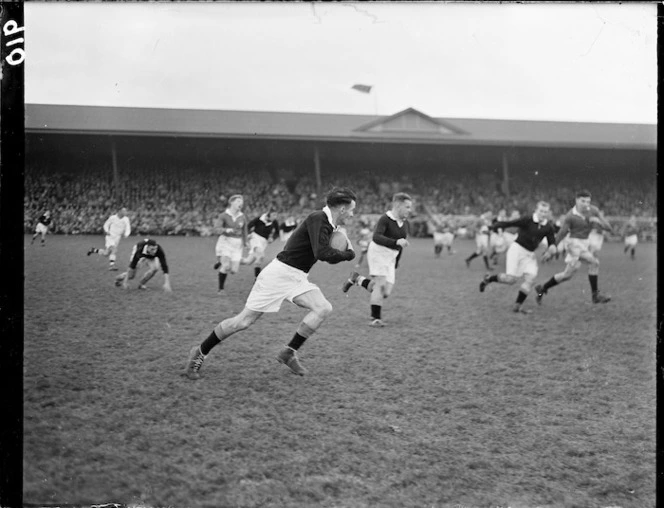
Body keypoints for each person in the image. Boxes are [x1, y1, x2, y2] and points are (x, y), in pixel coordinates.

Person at [184, 187, 357, 380]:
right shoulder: (318, 218)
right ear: (342, 208)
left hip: (297, 276)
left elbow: (326, 254)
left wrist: (343, 253)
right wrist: (348, 254)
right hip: (278, 274)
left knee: (323, 308)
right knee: (243, 321)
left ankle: (289, 352)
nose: (352, 214)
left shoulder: (330, 224)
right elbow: (322, 253)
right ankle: (199, 352)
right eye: (351, 209)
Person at [342, 192, 412, 327]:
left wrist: (396, 262)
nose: (410, 210)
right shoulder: (385, 219)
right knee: (379, 286)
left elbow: (401, 244)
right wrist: (396, 242)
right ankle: (375, 318)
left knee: (385, 292)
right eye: (407, 207)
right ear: (398, 205)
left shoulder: (405, 224)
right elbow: (376, 237)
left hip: (391, 258)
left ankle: (357, 279)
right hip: (378, 253)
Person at [534, 190, 612, 305]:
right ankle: (595, 295)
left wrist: (599, 221)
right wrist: (551, 249)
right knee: (594, 263)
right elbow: (561, 234)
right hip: (573, 244)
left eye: (588, 201)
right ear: (576, 201)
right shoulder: (570, 216)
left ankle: (542, 288)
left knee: (567, 275)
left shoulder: (594, 210)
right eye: (583, 201)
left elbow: (609, 228)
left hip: (584, 243)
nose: (586, 204)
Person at [479, 201, 557, 313]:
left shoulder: (548, 227)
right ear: (536, 210)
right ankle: (488, 280)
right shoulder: (528, 219)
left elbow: (552, 243)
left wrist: (551, 250)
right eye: (541, 211)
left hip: (529, 254)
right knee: (511, 280)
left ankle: (517, 306)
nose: (543, 214)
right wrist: (491, 227)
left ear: (548, 213)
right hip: (517, 249)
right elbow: (509, 223)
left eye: (545, 212)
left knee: (531, 279)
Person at [213, 195, 248, 293]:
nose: (240, 203)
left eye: (241, 202)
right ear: (231, 202)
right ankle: (221, 289)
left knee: (234, 271)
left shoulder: (242, 216)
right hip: (226, 242)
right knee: (226, 266)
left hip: (237, 244)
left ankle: (221, 261)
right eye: (237, 201)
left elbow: (245, 230)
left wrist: (246, 242)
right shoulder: (224, 215)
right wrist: (227, 230)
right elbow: (216, 229)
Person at [241, 211, 280, 278]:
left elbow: (277, 233)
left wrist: (272, 238)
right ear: (268, 215)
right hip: (255, 238)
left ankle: (231, 260)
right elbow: (248, 226)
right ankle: (257, 278)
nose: (275, 217)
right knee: (261, 256)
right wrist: (248, 234)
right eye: (273, 215)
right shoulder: (259, 219)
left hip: (264, 242)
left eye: (276, 215)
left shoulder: (274, 222)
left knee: (248, 261)